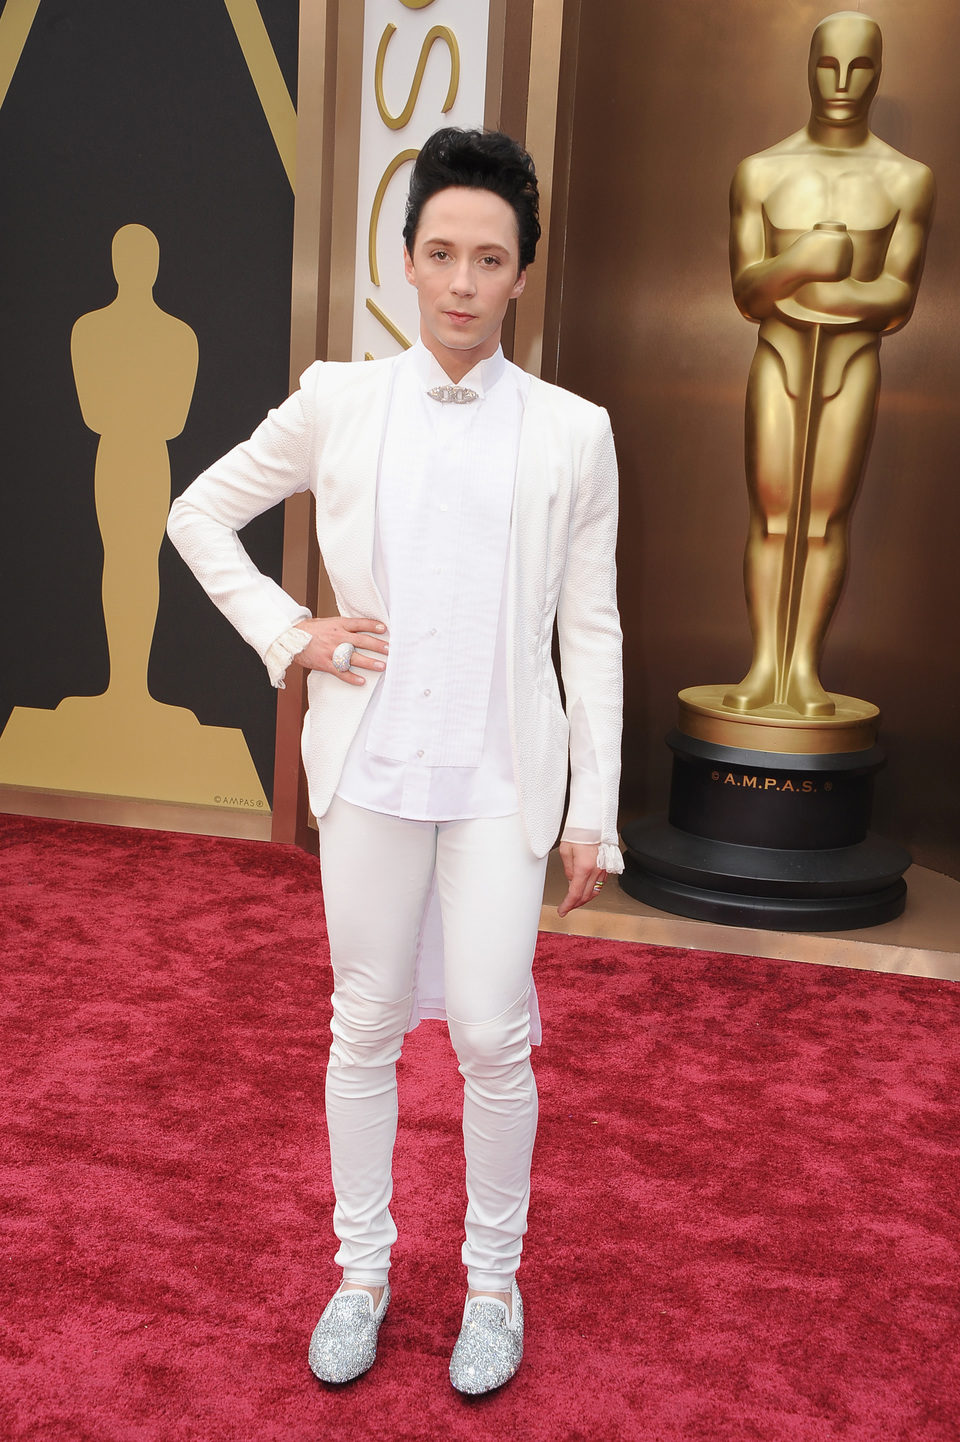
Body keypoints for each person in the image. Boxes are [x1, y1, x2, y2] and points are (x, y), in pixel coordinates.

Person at [167, 127, 622, 1394]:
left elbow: (591, 628)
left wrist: (597, 809)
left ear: (524, 271)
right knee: (364, 1021)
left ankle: (492, 1285)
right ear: (407, 263)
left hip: (499, 781)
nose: (464, 283)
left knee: (489, 1030)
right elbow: (196, 510)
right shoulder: (339, 398)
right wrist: (288, 632)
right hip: (370, 768)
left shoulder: (575, 433)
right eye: (441, 255)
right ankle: (361, 1272)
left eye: (491, 258)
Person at [725, 11, 933, 718]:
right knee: (774, 516)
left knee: (824, 521)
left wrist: (810, 285)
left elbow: (898, 302)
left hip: (852, 365)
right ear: (807, 67)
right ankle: (763, 668)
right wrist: (803, 263)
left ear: (879, 71)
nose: (842, 82)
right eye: (827, 64)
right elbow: (748, 294)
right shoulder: (760, 171)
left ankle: (804, 668)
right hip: (779, 359)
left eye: (860, 66)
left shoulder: (907, 181)